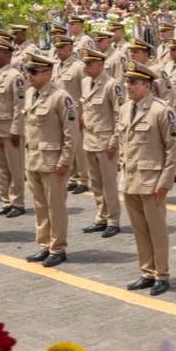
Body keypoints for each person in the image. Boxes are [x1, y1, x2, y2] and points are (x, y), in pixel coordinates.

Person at [118, 61, 176, 296]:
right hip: (131, 179)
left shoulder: (161, 111)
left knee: (156, 230)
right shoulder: (125, 109)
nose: (128, 86)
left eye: (133, 82)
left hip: (152, 181)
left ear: (146, 85)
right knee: (140, 230)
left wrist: (165, 183)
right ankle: (147, 272)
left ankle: (162, 274)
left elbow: (173, 149)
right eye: (127, 81)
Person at [22, 52, 79, 268]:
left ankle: (58, 248)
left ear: (47, 73)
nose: (29, 76)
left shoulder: (61, 97)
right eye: (29, 71)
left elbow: (71, 133)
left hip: (53, 161)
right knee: (40, 206)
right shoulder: (30, 94)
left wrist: (65, 161)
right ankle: (44, 244)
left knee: (55, 207)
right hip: (34, 159)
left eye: (34, 72)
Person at [79, 48, 124, 238]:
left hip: (106, 142)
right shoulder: (85, 83)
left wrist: (114, 142)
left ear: (100, 65)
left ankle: (113, 219)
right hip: (89, 140)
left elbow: (120, 116)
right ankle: (101, 216)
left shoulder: (111, 85)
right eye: (85, 64)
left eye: (90, 64)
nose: (86, 67)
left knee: (109, 183)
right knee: (96, 184)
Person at [0, 37, 26, 219]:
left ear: (7, 55)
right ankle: (6, 201)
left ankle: (17, 202)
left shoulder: (15, 77)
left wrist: (16, 130)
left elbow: (19, 106)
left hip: (9, 130)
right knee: (1, 168)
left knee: (15, 168)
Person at [52, 36, 89, 195]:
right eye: (57, 48)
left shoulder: (79, 66)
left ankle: (84, 179)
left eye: (62, 48)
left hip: (76, 112)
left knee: (79, 147)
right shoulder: (56, 66)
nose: (58, 51)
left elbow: (86, 91)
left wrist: (84, 114)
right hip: (60, 112)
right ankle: (73, 177)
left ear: (70, 49)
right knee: (67, 145)